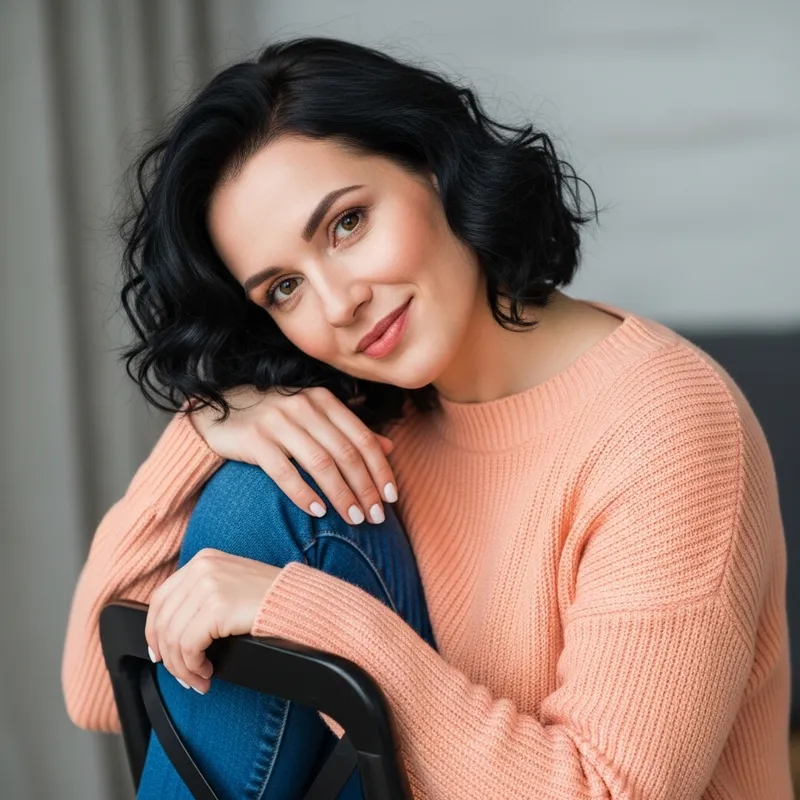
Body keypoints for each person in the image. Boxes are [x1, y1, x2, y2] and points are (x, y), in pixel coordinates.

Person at [61, 35, 793, 799]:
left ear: (434, 166)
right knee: (258, 493)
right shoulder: (359, 425)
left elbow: (604, 793)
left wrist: (312, 619)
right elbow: (94, 682)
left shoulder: (667, 425)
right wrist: (209, 429)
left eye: (346, 224)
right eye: (283, 289)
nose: (340, 304)